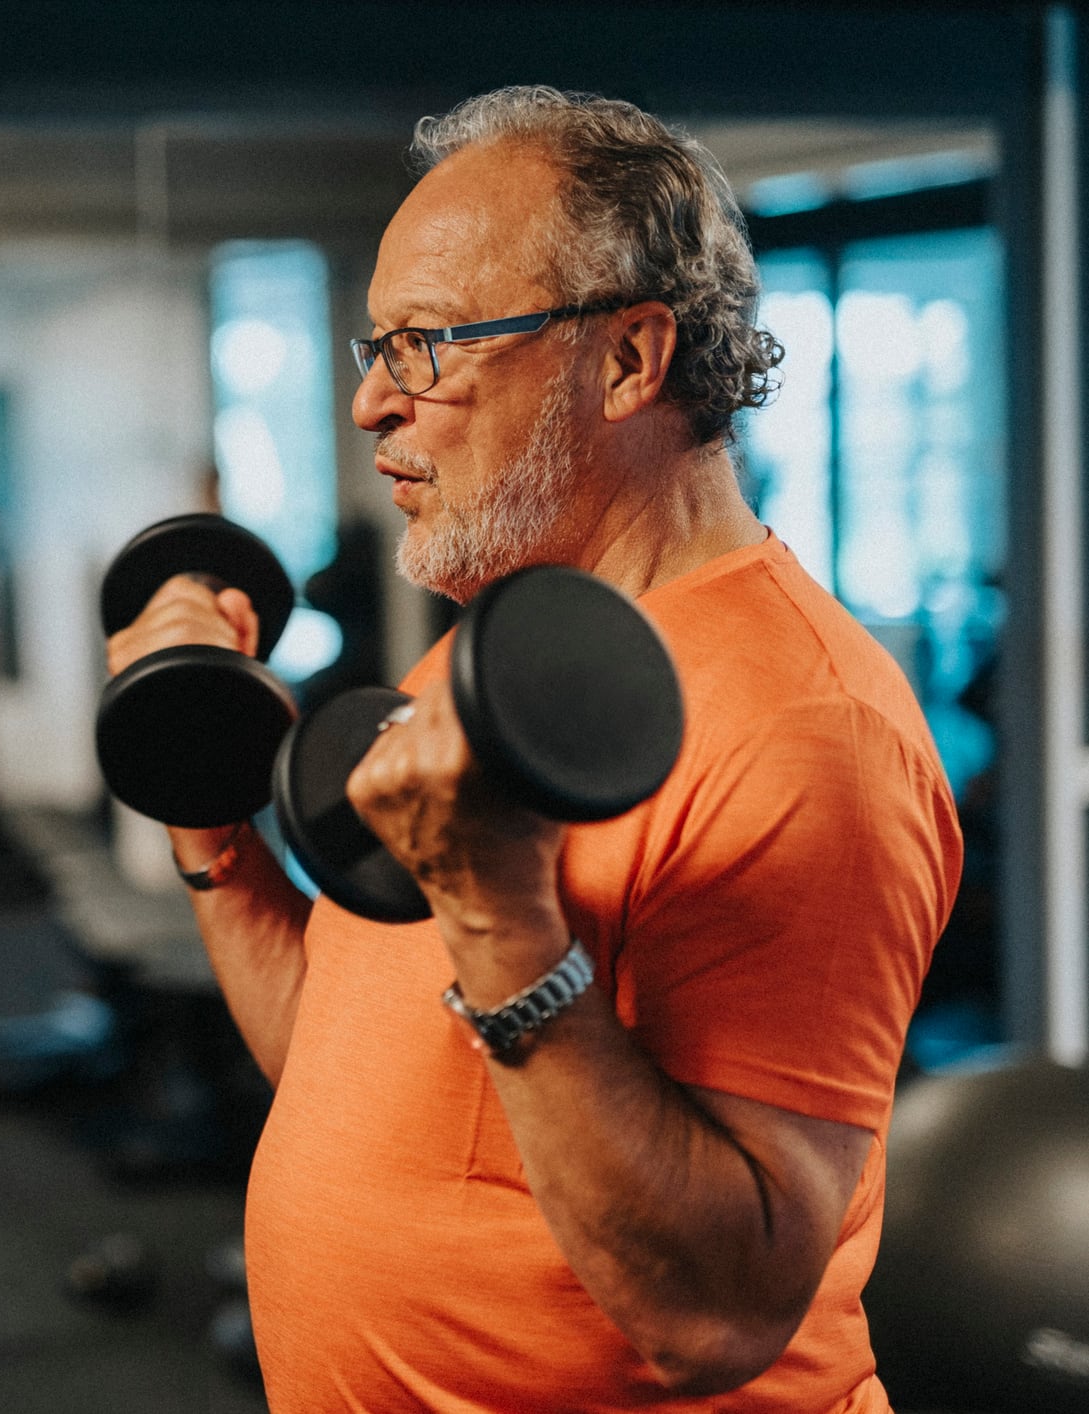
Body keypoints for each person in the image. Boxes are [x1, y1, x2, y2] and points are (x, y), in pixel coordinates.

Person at [107, 88, 960, 1410]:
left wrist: (501, 913)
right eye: (369, 346)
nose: (368, 405)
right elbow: (353, 1068)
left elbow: (716, 1312)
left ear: (628, 359)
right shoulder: (496, 651)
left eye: (424, 345)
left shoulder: (809, 733)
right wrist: (206, 804)